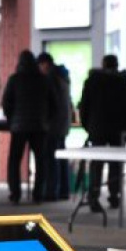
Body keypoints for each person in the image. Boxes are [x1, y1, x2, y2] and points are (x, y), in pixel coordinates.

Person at [78, 54, 126, 212]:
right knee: (115, 164)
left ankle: (93, 197)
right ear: (117, 65)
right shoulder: (125, 82)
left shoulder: (91, 82)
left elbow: (83, 106)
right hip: (118, 130)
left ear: (102, 65)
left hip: (97, 129)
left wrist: (87, 126)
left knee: (96, 164)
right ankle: (114, 196)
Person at [1, 50, 54, 204]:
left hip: (19, 127)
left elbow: (6, 102)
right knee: (40, 161)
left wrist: (12, 119)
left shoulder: (14, 79)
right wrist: (46, 120)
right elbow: (53, 104)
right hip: (40, 126)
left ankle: (15, 194)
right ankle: (38, 194)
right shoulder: (44, 80)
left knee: (14, 160)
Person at [37, 52, 73, 201]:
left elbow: (51, 103)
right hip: (63, 123)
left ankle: (51, 192)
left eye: (40, 65)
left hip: (53, 125)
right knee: (61, 158)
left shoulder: (50, 78)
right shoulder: (62, 76)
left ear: (45, 64)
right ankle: (64, 190)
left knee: (51, 159)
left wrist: (44, 121)